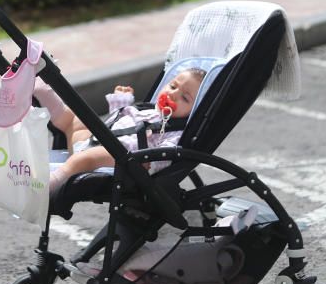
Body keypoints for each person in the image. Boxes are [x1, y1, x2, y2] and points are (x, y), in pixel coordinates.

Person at [33, 67, 206, 193]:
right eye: (173, 86)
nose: (173, 94)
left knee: (85, 157)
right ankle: (43, 91)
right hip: (97, 142)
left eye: (184, 97)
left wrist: (151, 159)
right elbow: (117, 122)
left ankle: (49, 185)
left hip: (123, 161)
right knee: (74, 121)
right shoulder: (147, 110)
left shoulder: (176, 132)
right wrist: (121, 104)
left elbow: (165, 157)